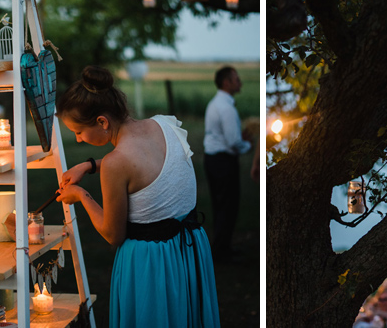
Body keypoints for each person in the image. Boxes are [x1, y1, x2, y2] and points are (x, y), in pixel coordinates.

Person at [55, 66, 220, 327]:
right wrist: (89, 165)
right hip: (189, 247)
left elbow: (113, 234)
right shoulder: (164, 124)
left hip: (151, 263)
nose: (77, 139)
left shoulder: (115, 163)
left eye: (78, 131)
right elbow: (147, 163)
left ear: (102, 122)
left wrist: (81, 195)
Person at [203, 66, 252, 262]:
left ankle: (221, 246)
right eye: (236, 79)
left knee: (219, 204)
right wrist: (249, 145)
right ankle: (222, 251)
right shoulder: (226, 108)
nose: (239, 82)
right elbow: (233, 142)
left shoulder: (215, 103)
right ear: (226, 83)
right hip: (224, 161)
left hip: (212, 159)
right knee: (228, 206)